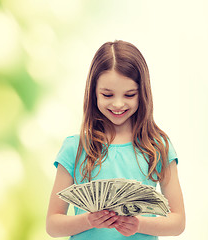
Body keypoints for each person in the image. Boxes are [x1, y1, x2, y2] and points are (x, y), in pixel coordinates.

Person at [46, 40, 185, 239]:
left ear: (142, 93)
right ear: (93, 92)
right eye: (107, 94)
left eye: (129, 95)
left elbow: (178, 222)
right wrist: (88, 220)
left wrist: (138, 224)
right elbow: (53, 225)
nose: (118, 104)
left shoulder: (158, 147)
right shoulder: (74, 148)